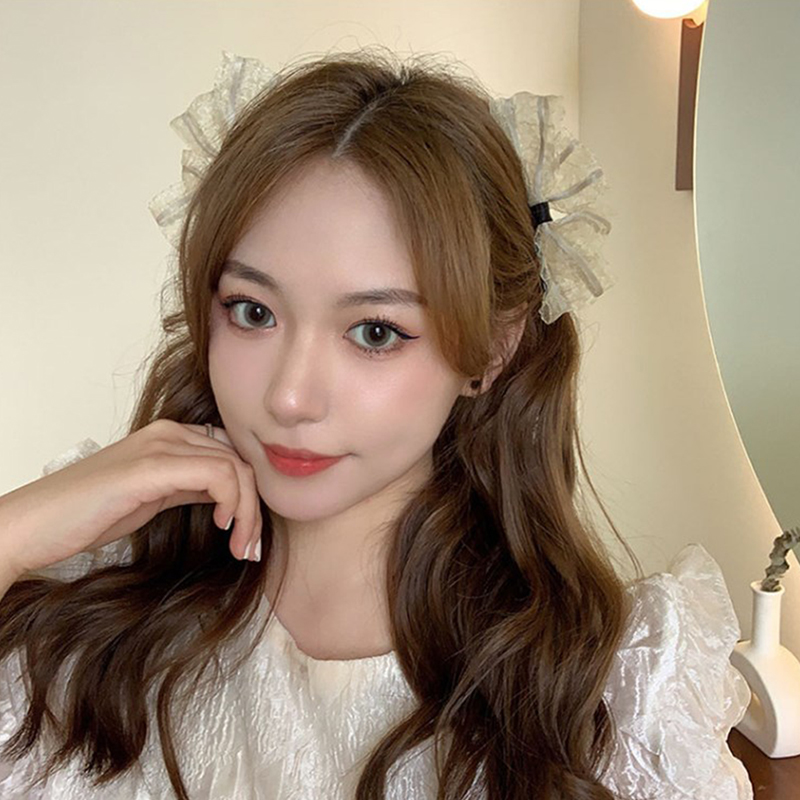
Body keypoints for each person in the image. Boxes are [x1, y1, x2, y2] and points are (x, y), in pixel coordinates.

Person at [0, 47, 752, 800]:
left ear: (492, 350)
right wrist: (15, 531)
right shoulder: (87, 608)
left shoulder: (612, 696)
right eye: (253, 312)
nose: (290, 398)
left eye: (375, 332)